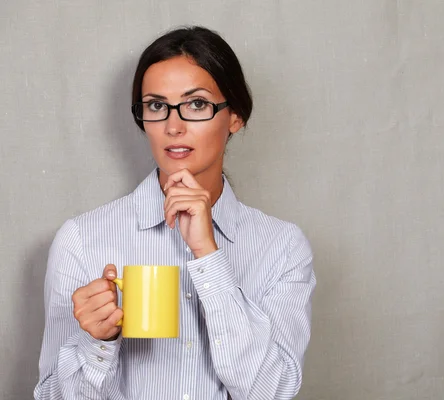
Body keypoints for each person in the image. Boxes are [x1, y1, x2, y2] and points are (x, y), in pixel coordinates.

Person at [34, 26, 316, 400]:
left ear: (235, 116)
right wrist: (97, 342)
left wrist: (208, 255)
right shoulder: (83, 239)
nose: (173, 126)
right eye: (155, 105)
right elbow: (50, 395)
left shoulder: (281, 246)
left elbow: (273, 390)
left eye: (197, 104)